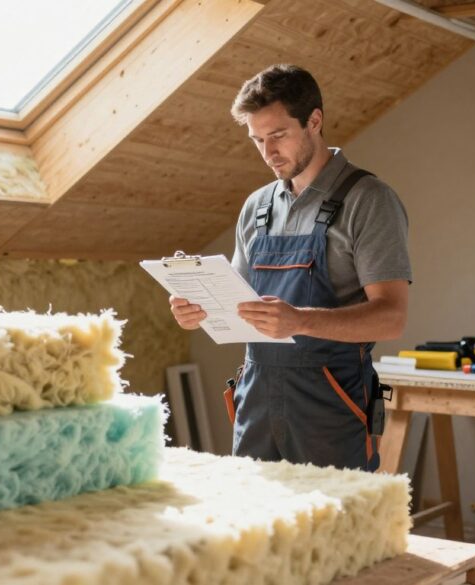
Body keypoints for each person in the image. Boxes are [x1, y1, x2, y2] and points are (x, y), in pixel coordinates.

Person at [169, 64, 411, 472]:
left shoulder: (369, 200)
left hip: (331, 404)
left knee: (334, 529)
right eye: (257, 140)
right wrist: (198, 308)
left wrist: (299, 321)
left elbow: (391, 317)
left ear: (314, 121)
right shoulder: (256, 206)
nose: (268, 153)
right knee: (256, 527)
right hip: (257, 400)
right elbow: (239, 305)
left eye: (278, 136)